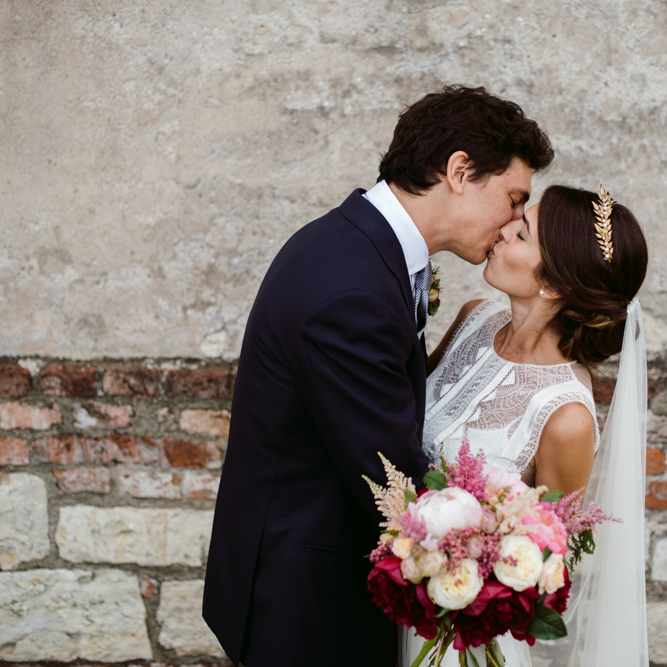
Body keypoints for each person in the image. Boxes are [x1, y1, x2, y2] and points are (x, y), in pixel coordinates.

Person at [203, 85, 554, 667]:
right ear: (460, 171)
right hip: (310, 604)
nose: (515, 221)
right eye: (514, 198)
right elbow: (391, 481)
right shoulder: (354, 291)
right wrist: (507, 551)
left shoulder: (356, 242)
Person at [402, 184, 649, 667]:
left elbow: (546, 564)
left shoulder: (566, 418)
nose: (502, 229)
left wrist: (460, 582)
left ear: (554, 284)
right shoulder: (474, 319)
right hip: (389, 591)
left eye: (522, 231)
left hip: (457, 635)